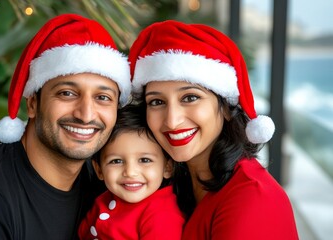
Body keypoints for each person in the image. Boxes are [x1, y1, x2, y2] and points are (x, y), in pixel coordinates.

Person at [0, 13, 131, 240]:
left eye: (103, 97)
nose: (86, 114)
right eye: (67, 93)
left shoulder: (109, 183)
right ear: (32, 103)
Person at [128, 20, 299, 239]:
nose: (171, 121)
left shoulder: (251, 198)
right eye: (156, 102)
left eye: (190, 98)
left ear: (227, 108)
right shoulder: (167, 184)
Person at [78, 104, 185, 240]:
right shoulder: (104, 199)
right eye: (116, 161)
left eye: (145, 160)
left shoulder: (162, 214)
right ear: (99, 169)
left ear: (167, 167)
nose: (130, 172)